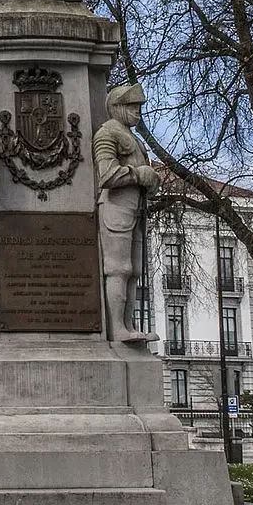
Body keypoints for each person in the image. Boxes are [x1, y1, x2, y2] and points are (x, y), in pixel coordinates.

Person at [92, 84, 161, 342]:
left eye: (139, 107)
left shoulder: (135, 140)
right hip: (116, 207)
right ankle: (117, 329)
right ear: (118, 107)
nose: (137, 112)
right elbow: (107, 175)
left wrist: (151, 181)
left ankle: (128, 326)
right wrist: (138, 175)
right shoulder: (107, 134)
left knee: (134, 271)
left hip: (136, 209)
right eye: (132, 106)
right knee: (118, 269)